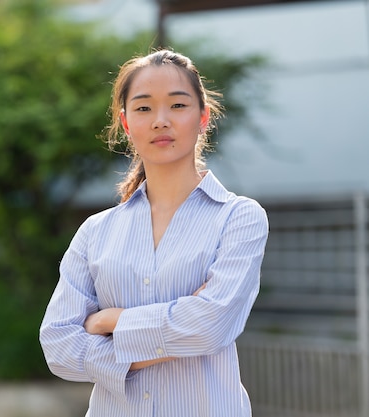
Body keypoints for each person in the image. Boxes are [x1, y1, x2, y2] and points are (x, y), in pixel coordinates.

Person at [39, 48, 269, 417]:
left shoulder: (238, 218)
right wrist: (175, 329)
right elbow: (58, 346)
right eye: (144, 108)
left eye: (178, 105)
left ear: (203, 117)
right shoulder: (95, 232)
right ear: (126, 122)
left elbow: (211, 326)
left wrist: (109, 322)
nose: (161, 120)